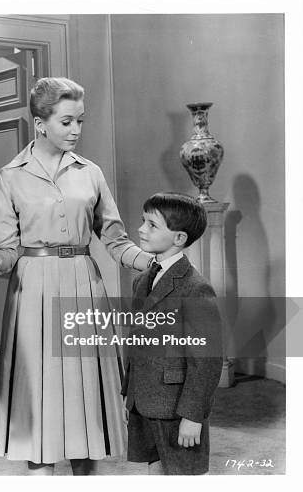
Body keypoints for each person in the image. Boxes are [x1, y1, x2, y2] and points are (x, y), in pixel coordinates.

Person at [0, 77, 153, 475]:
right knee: (39, 397)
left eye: (81, 121)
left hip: (83, 287)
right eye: (67, 121)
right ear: (41, 123)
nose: (76, 130)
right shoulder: (10, 175)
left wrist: (154, 262)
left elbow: (117, 240)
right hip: (33, 291)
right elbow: (6, 254)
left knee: (84, 397)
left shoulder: (91, 173)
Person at [121, 192, 223, 475]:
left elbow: (207, 360)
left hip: (176, 406)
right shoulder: (142, 280)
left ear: (179, 238)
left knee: (181, 473)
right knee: (156, 470)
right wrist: (127, 392)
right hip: (144, 400)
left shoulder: (195, 288)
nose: (141, 229)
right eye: (143, 221)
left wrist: (193, 416)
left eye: (152, 225)